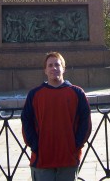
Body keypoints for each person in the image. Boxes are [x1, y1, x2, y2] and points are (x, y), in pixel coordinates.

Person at [21, 52, 92, 181]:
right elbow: (26, 121)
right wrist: (35, 146)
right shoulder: (34, 94)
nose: (54, 68)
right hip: (42, 159)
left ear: (63, 68)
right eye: (50, 65)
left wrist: (75, 145)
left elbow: (85, 121)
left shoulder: (77, 93)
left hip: (68, 159)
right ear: (45, 70)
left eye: (57, 65)